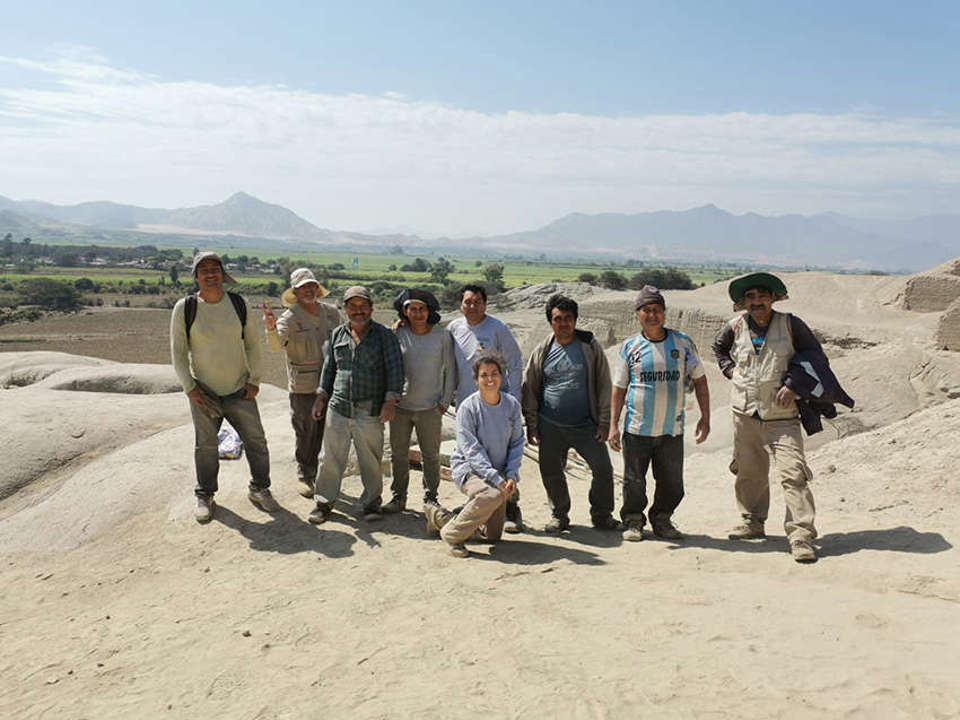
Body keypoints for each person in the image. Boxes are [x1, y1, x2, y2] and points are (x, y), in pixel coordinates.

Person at [712, 272, 820, 563]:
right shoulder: (734, 326)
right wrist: (729, 370)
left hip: (782, 415)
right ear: (743, 302)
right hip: (745, 412)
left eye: (762, 295)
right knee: (749, 471)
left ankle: (800, 536)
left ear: (773, 298)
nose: (756, 301)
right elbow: (719, 349)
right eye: (750, 297)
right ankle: (752, 521)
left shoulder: (791, 324)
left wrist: (794, 384)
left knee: (793, 474)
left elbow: (813, 355)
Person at [170, 251, 276, 524]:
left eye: (215, 268)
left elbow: (253, 344)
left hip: (239, 389)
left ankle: (259, 488)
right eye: (203, 269)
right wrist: (190, 388)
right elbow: (178, 352)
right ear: (196, 276)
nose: (210, 274)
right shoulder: (186, 308)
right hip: (203, 392)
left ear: (223, 274)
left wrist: (255, 380)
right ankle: (205, 495)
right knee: (205, 446)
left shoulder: (238, 304)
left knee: (257, 441)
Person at [608, 286, 710, 541]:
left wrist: (706, 417)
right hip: (637, 428)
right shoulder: (630, 347)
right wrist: (613, 425)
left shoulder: (683, 343)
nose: (652, 315)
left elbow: (700, 380)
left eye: (657, 310)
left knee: (672, 482)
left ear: (664, 313)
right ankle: (633, 521)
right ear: (638, 314)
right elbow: (619, 388)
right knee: (634, 480)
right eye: (646, 310)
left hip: (671, 428)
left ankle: (662, 519)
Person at [521, 294, 619, 532]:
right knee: (552, 472)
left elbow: (604, 384)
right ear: (550, 321)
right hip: (550, 424)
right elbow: (529, 387)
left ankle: (602, 515)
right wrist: (532, 423)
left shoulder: (589, 346)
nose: (563, 323)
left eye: (568, 318)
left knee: (603, 470)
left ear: (575, 320)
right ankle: (559, 515)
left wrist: (604, 422)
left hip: (586, 425)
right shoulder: (542, 350)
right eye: (558, 319)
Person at [308, 286, 404, 524]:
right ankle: (324, 502)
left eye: (363, 306)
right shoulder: (337, 335)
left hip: (370, 409)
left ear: (371, 308)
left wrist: (390, 401)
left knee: (371, 459)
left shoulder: (384, 336)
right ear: (345, 309)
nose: (358, 311)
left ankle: (371, 503)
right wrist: (321, 397)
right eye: (353, 306)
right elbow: (329, 369)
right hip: (338, 407)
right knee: (330, 457)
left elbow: (395, 370)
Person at [447, 283, 525, 532]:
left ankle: (511, 507)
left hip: (497, 404)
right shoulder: (454, 328)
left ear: (485, 304)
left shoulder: (497, 328)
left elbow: (514, 362)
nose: (472, 306)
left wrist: (514, 398)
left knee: (502, 455)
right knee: (473, 454)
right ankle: (477, 504)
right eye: (467, 302)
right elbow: (447, 363)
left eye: (477, 302)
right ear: (461, 305)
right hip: (467, 404)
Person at [432, 350, 524, 558]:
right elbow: (471, 450)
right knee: (491, 495)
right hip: (469, 469)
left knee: (493, 536)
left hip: (498, 473)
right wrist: (495, 478)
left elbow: (517, 442)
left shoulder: (511, 405)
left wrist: (511, 475)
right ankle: (452, 534)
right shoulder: (468, 408)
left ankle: (442, 518)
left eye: (494, 374)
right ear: (476, 380)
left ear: (502, 376)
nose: (490, 379)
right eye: (484, 375)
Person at [263, 268, 342, 498]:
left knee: (332, 431)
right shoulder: (289, 318)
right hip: (305, 387)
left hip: (332, 383)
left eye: (312, 286)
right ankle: (305, 474)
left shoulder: (331, 313)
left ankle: (326, 475)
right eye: (303, 287)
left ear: (318, 288)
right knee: (306, 431)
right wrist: (270, 328)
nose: (309, 290)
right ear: (295, 292)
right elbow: (276, 345)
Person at [383, 288, 457, 513]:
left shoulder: (442, 336)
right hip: (401, 408)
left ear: (429, 311)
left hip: (430, 408)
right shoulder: (397, 333)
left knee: (431, 456)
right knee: (398, 454)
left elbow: (450, 371)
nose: (417, 313)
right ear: (405, 312)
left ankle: (430, 498)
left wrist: (444, 403)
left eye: (421, 309)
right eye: (412, 309)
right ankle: (398, 497)